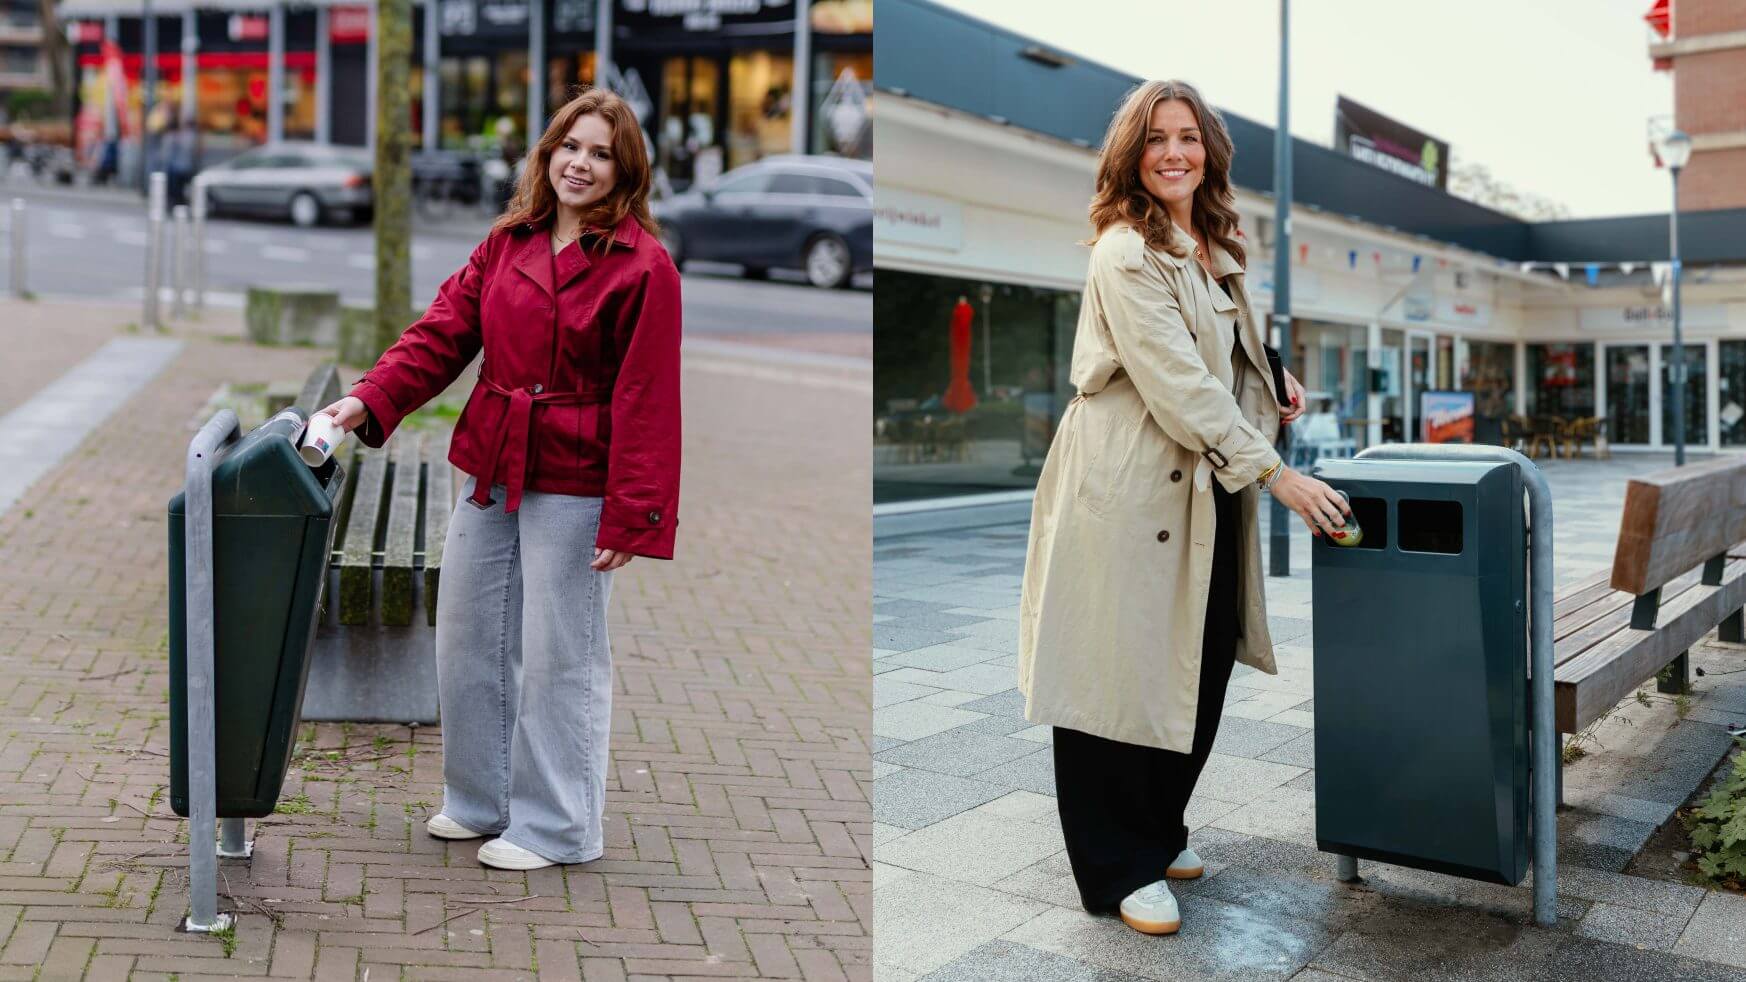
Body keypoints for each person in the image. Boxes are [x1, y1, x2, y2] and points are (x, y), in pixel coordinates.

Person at [318, 88, 683, 871]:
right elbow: (442, 331)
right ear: (546, 154)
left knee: (563, 654)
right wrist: (367, 398)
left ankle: (559, 827)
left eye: (600, 153)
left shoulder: (643, 266)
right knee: (467, 634)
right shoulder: (507, 242)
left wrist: (633, 516)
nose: (580, 164)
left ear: (626, 171)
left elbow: (648, 396)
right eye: (569, 147)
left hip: (578, 476)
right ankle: (480, 800)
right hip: (491, 460)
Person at [1017, 79, 1349, 936]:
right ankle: (1114, 866)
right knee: (1112, 677)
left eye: (1189, 137)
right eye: (1157, 137)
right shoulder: (1124, 252)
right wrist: (1278, 474)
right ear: (1131, 155)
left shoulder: (1215, 246)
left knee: (1193, 664)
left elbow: (1221, 352)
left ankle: (1159, 831)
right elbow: (1174, 378)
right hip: (1126, 485)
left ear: (1211, 152)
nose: (1174, 152)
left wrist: (1272, 373)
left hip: (1202, 488)